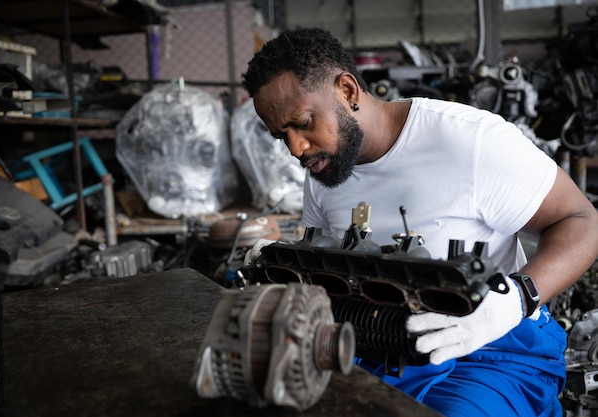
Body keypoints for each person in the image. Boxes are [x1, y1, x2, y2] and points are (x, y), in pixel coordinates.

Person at [241, 27, 598, 417]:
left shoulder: (470, 141)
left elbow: (582, 219)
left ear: (347, 90)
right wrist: (280, 266)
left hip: (492, 349)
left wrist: (517, 298)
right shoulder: (325, 168)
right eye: (282, 136)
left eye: (304, 122)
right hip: (379, 343)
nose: (295, 148)